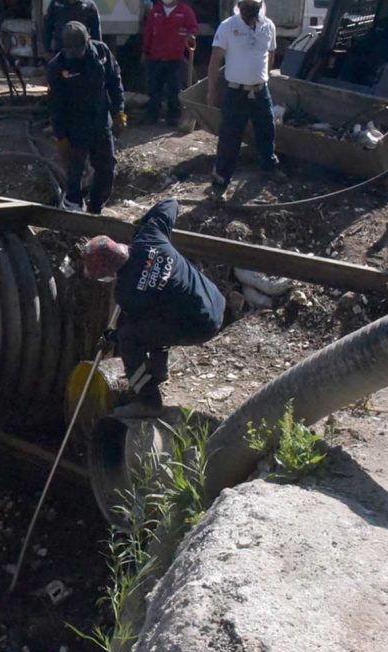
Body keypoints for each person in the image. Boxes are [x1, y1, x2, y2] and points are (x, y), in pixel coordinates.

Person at [80, 199, 225, 417]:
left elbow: (133, 327)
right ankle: (157, 373)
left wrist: (113, 337)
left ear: (107, 272)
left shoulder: (127, 293)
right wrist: (143, 223)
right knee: (161, 314)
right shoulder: (150, 236)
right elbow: (171, 203)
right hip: (214, 300)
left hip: (200, 325)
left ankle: (148, 401)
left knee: (129, 337)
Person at [47, 21, 126, 214]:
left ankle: (96, 207)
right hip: (75, 126)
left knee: (107, 168)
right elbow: (55, 105)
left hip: (100, 122)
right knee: (75, 171)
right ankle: (73, 208)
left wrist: (119, 112)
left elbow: (115, 83)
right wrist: (61, 136)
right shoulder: (58, 66)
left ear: (88, 39)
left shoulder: (102, 53)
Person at [206, 0, 279, 200]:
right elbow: (215, 60)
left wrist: (264, 77)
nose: (250, 15)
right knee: (230, 137)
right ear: (240, 7)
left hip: (260, 91)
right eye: (247, 9)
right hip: (235, 93)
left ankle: (269, 167)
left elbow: (270, 54)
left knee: (267, 129)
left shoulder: (268, 26)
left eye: (253, 10)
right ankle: (221, 181)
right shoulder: (228, 26)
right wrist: (211, 90)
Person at [141, 0, 199, 125]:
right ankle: (152, 115)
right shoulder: (155, 11)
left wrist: (191, 36)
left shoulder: (185, 11)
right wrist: (145, 51)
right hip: (155, 56)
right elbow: (148, 32)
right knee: (154, 89)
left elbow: (193, 28)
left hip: (175, 57)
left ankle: (173, 116)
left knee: (174, 88)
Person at [338, 0, 388, 85]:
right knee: (350, 64)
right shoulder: (382, 24)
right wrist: (354, 47)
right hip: (374, 60)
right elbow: (367, 42)